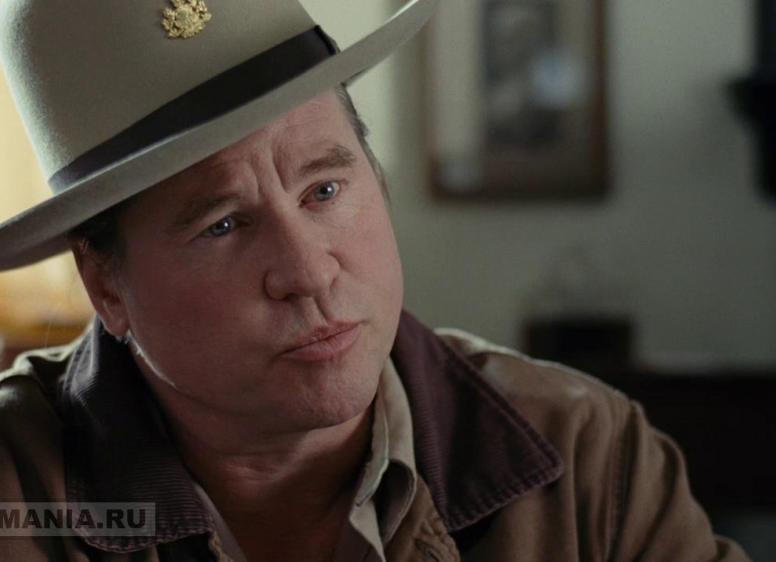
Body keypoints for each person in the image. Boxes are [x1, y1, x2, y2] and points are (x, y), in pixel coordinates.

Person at [0, 0, 751, 561]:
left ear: (377, 178)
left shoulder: (588, 460)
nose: (307, 272)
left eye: (324, 191)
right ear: (106, 285)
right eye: (223, 226)